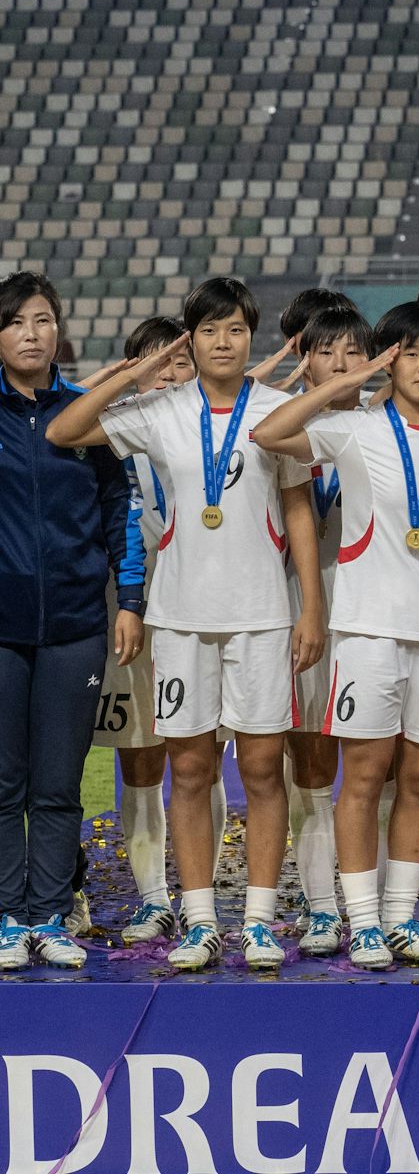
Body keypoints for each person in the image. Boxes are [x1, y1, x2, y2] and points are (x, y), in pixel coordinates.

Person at [49, 277, 325, 972]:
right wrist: (140, 369)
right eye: (208, 330)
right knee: (191, 769)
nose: (223, 342)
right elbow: (66, 428)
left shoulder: (278, 408)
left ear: (251, 336)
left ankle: (258, 919)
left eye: (235, 329)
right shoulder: (161, 408)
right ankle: (200, 919)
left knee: (264, 769)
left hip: (262, 614)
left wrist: (311, 606)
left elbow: (298, 509)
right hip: (178, 618)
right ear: (190, 339)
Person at [251, 303, 419, 969]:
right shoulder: (353, 429)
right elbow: (271, 433)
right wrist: (336, 384)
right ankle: (363, 922)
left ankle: (400, 917)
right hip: (369, 630)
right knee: (363, 776)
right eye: (410, 353)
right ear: (391, 360)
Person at [0, 273, 141, 971]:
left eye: (43, 319)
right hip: (1, 628)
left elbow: (123, 510)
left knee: (57, 781)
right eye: (17, 321)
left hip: (79, 623)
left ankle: (50, 913)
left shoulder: (89, 413)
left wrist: (132, 599)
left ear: (60, 330)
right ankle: (6, 916)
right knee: (3, 781)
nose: (32, 332)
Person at [89, 317, 209, 948]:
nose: (168, 373)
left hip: (201, 606)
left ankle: (200, 899)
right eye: (153, 362)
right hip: (129, 609)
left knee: (200, 759)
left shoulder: (213, 434)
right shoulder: (111, 438)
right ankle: (153, 899)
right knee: (138, 755)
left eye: (180, 362)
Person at [280, 304, 372, 958]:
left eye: (351, 352)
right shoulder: (282, 428)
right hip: (297, 603)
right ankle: (320, 907)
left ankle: (383, 906)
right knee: (310, 758)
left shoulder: (394, 424)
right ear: (303, 359)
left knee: (376, 766)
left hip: (376, 607)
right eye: (325, 352)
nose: (338, 365)